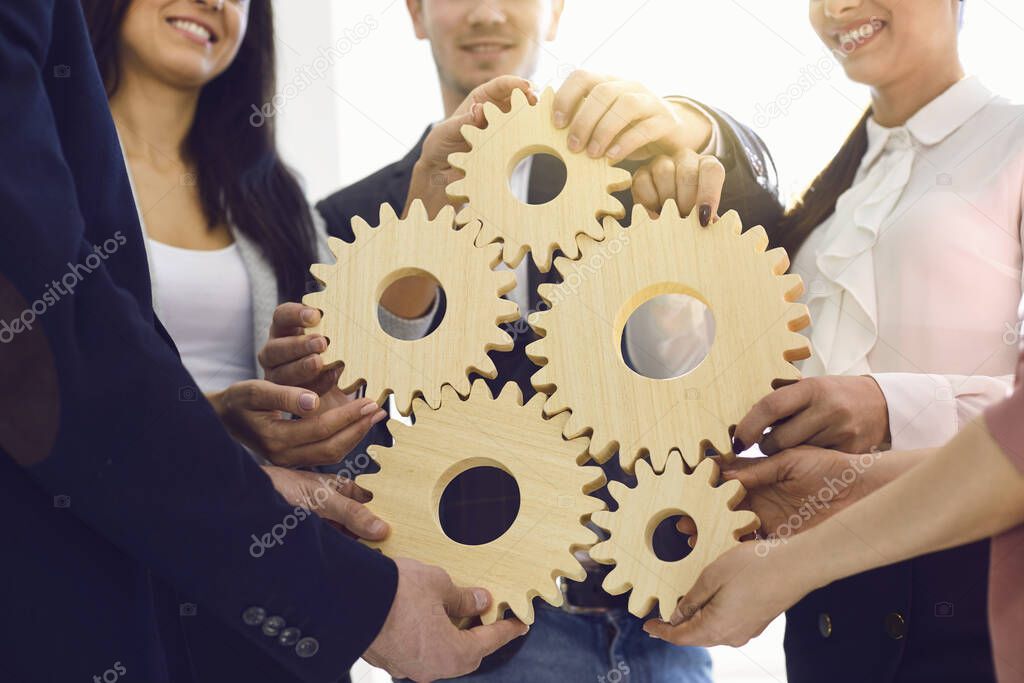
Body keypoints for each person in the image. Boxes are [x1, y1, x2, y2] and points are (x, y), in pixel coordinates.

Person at [0, 1, 529, 681]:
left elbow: (352, 401)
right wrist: (217, 427)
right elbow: (66, 364)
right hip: (97, 577)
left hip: (252, 613)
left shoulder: (278, 197)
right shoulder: (55, 156)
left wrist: (316, 410)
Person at [294, 1, 784, 681]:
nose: (488, 13)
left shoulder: (629, 177)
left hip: (663, 613)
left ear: (554, 11)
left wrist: (693, 122)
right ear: (415, 12)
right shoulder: (352, 220)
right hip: (490, 635)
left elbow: (764, 205)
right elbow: (346, 447)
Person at [645, 0, 1024, 680]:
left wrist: (888, 405)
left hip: (975, 583)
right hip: (822, 598)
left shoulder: (1014, 141)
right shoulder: (830, 192)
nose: (837, 8)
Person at [644, 335, 1024, 683]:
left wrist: (788, 567)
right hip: (829, 583)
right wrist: (849, 488)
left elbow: (1010, 444)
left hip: (970, 577)